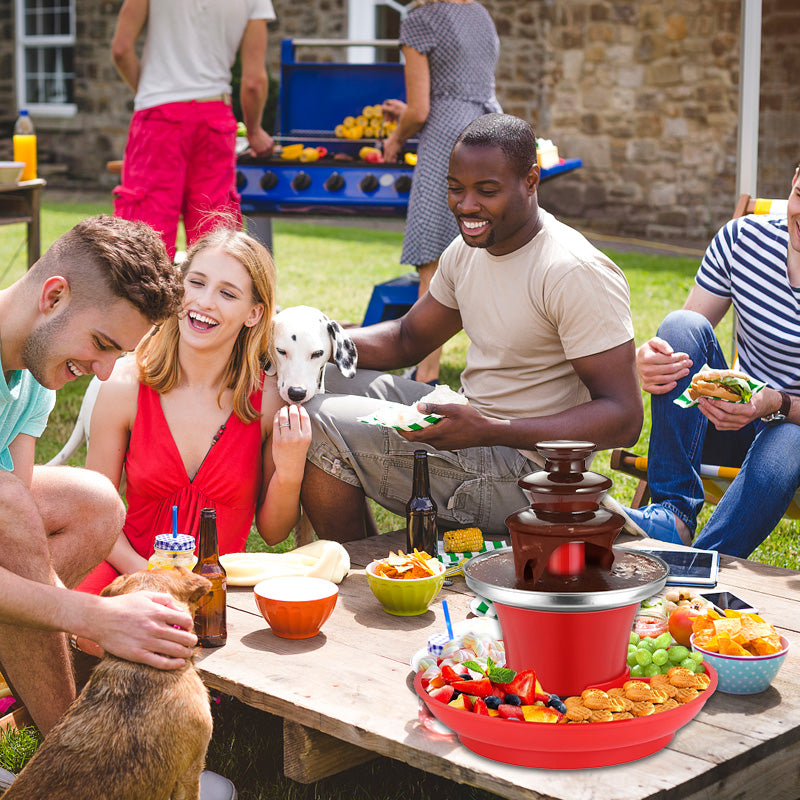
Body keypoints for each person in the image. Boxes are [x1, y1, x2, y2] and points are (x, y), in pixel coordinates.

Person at [300, 114, 642, 542]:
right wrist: (317, 343)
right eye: (455, 188)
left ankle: (352, 570)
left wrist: (492, 430)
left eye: (487, 191)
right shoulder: (467, 251)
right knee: (313, 379)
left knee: (314, 420)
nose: (466, 206)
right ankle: (364, 563)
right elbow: (408, 339)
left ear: (531, 180)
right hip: (475, 430)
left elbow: (624, 417)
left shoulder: (572, 270)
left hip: (530, 478)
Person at [0, 214, 189, 739]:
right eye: (102, 344)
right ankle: (78, 758)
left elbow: (20, 538)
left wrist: (90, 618)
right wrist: (87, 615)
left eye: (119, 355)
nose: (105, 373)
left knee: (97, 502)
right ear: (54, 296)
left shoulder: (35, 373)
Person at [77, 228, 311, 595]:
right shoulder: (124, 387)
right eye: (196, 283)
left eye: (227, 293)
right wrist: (150, 579)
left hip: (217, 588)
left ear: (254, 313)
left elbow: (273, 532)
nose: (204, 301)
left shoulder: (266, 401)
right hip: (127, 569)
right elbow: (92, 517)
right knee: (88, 630)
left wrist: (291, 469)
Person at [622, 165, 800, 558]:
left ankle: (697, 563)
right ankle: (674, 513)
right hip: (734, 423)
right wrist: (649, 359)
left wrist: (776, 403)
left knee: (789, 437)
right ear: (793, 181)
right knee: (680, 325)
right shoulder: (743, 241)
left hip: (791, 440)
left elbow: (783, 414)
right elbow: (686, 338)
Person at [381, 0, 502, 385]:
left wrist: (395, 138)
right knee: (490, 255)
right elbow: (461, 87)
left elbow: (419, 110)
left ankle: (425, 373)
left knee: (433, 263)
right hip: (490, 131)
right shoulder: (480, 14)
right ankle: (497, 374)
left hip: (448, 143)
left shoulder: (420, 20)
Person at [110, 0, 276, 261]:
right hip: (214, 118)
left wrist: (151, 94)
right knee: (215, 239)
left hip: (158, 118)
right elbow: (254, 82)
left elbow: (121, 49)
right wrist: (254, 131)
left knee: (144, 241)